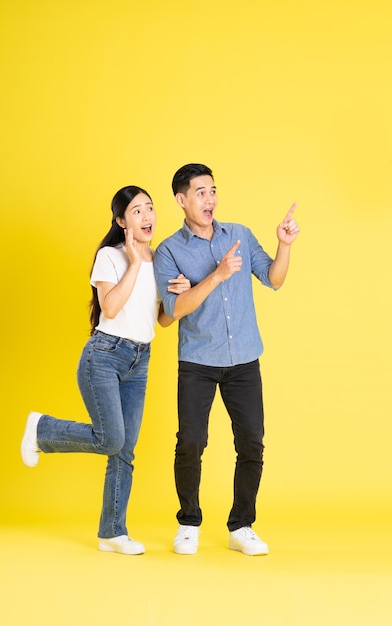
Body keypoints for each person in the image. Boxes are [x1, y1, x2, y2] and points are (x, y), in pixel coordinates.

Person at [21, 185, 190, 555]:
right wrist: (133, 261)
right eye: (137, 211)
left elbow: (160, 319)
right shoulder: (110, 257)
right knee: (111, 438)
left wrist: (181, 294)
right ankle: (42, 428)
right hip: (104, 356)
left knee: (124, 450)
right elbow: (110, 308)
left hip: (139, 360)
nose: (147, 217)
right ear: (121, 221)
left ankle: (112, 531)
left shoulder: (162, 260)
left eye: (150, 209)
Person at [154, 164, 300, 556]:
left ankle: (242, 525)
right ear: (181, 200)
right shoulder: (169, 250)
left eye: (213, 191)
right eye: (200, 192)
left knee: (252, 441)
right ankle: (188, 522)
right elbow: (172, 311)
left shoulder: (239, 234)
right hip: (198, 361)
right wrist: (216, 276)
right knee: (191, 442)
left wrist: (284, 245)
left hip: (244, 360)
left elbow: (274, 278)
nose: (210, 199)